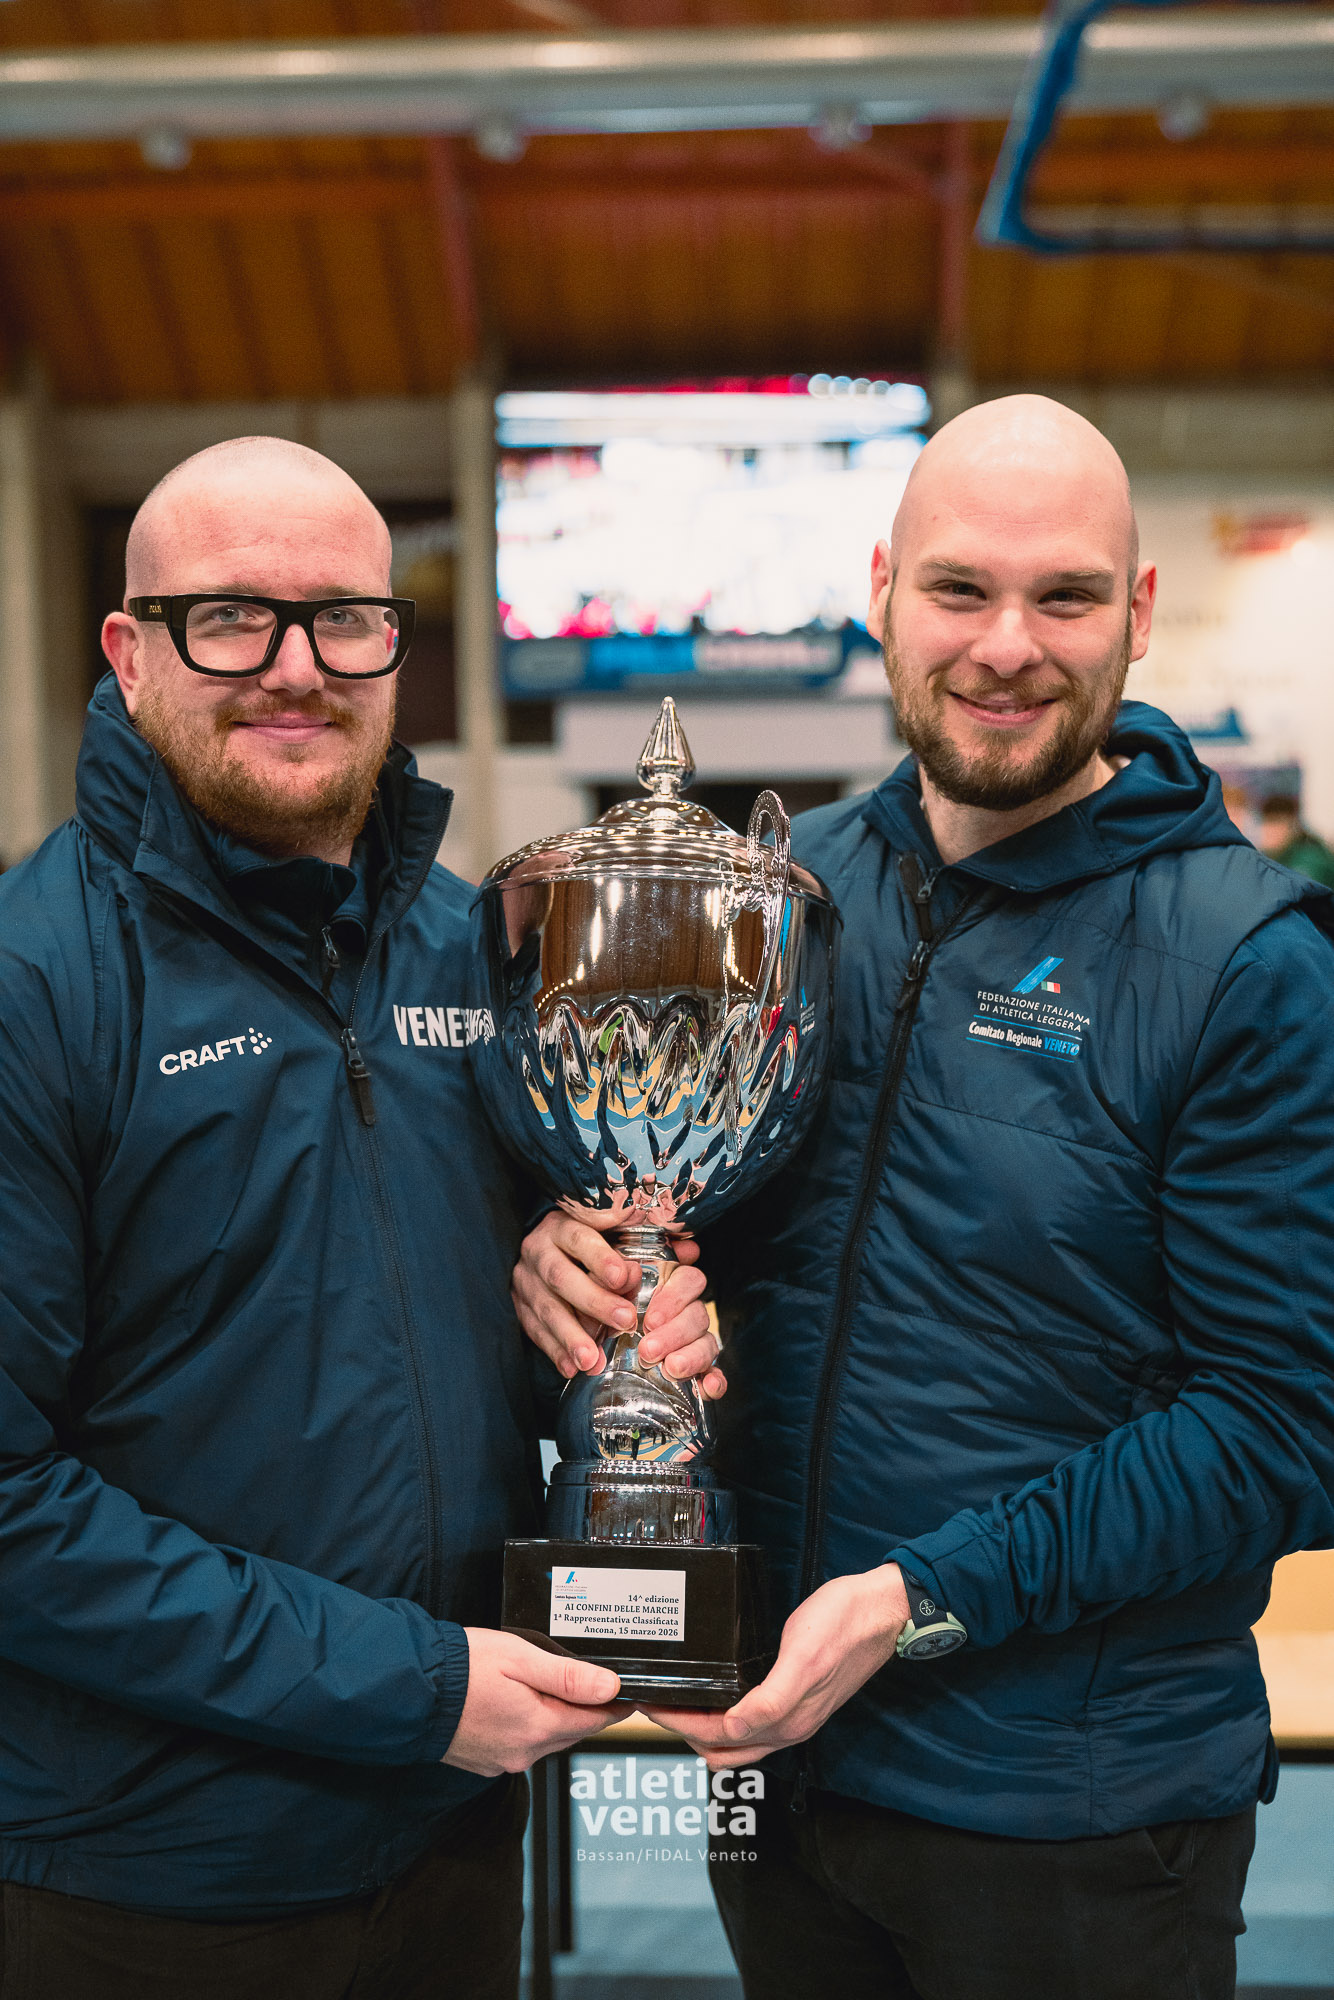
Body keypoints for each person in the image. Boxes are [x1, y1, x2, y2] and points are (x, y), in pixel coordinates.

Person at [517, 395, 1334, 2000]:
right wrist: (580, 1256)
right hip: (772, 1759)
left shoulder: (1248, 961)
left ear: (1137, 614)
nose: (1005, 646)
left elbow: (1284, 1430)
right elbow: (697, 1228)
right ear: (883, 590)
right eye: (960, 588)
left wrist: (915, 1604)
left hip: (1070, 1813)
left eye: (1064, 597)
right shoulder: (783, 896)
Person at [0, 435, 711, 2000]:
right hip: (146, 1880)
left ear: (396, 642)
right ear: (128, 650)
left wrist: (599, 1311)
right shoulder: (35, 982)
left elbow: (444, 1332)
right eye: (230, 618)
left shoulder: (471, 951)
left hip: (450, 1839)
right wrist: (410, 1689)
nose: (295, 668)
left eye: (343, 619)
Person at [1256, 791, 1334, 888]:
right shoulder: (1269, 858)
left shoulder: (1308, 861)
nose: (1270, 831)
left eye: (1277, 823)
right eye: (1267, 823)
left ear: (1291, 827)